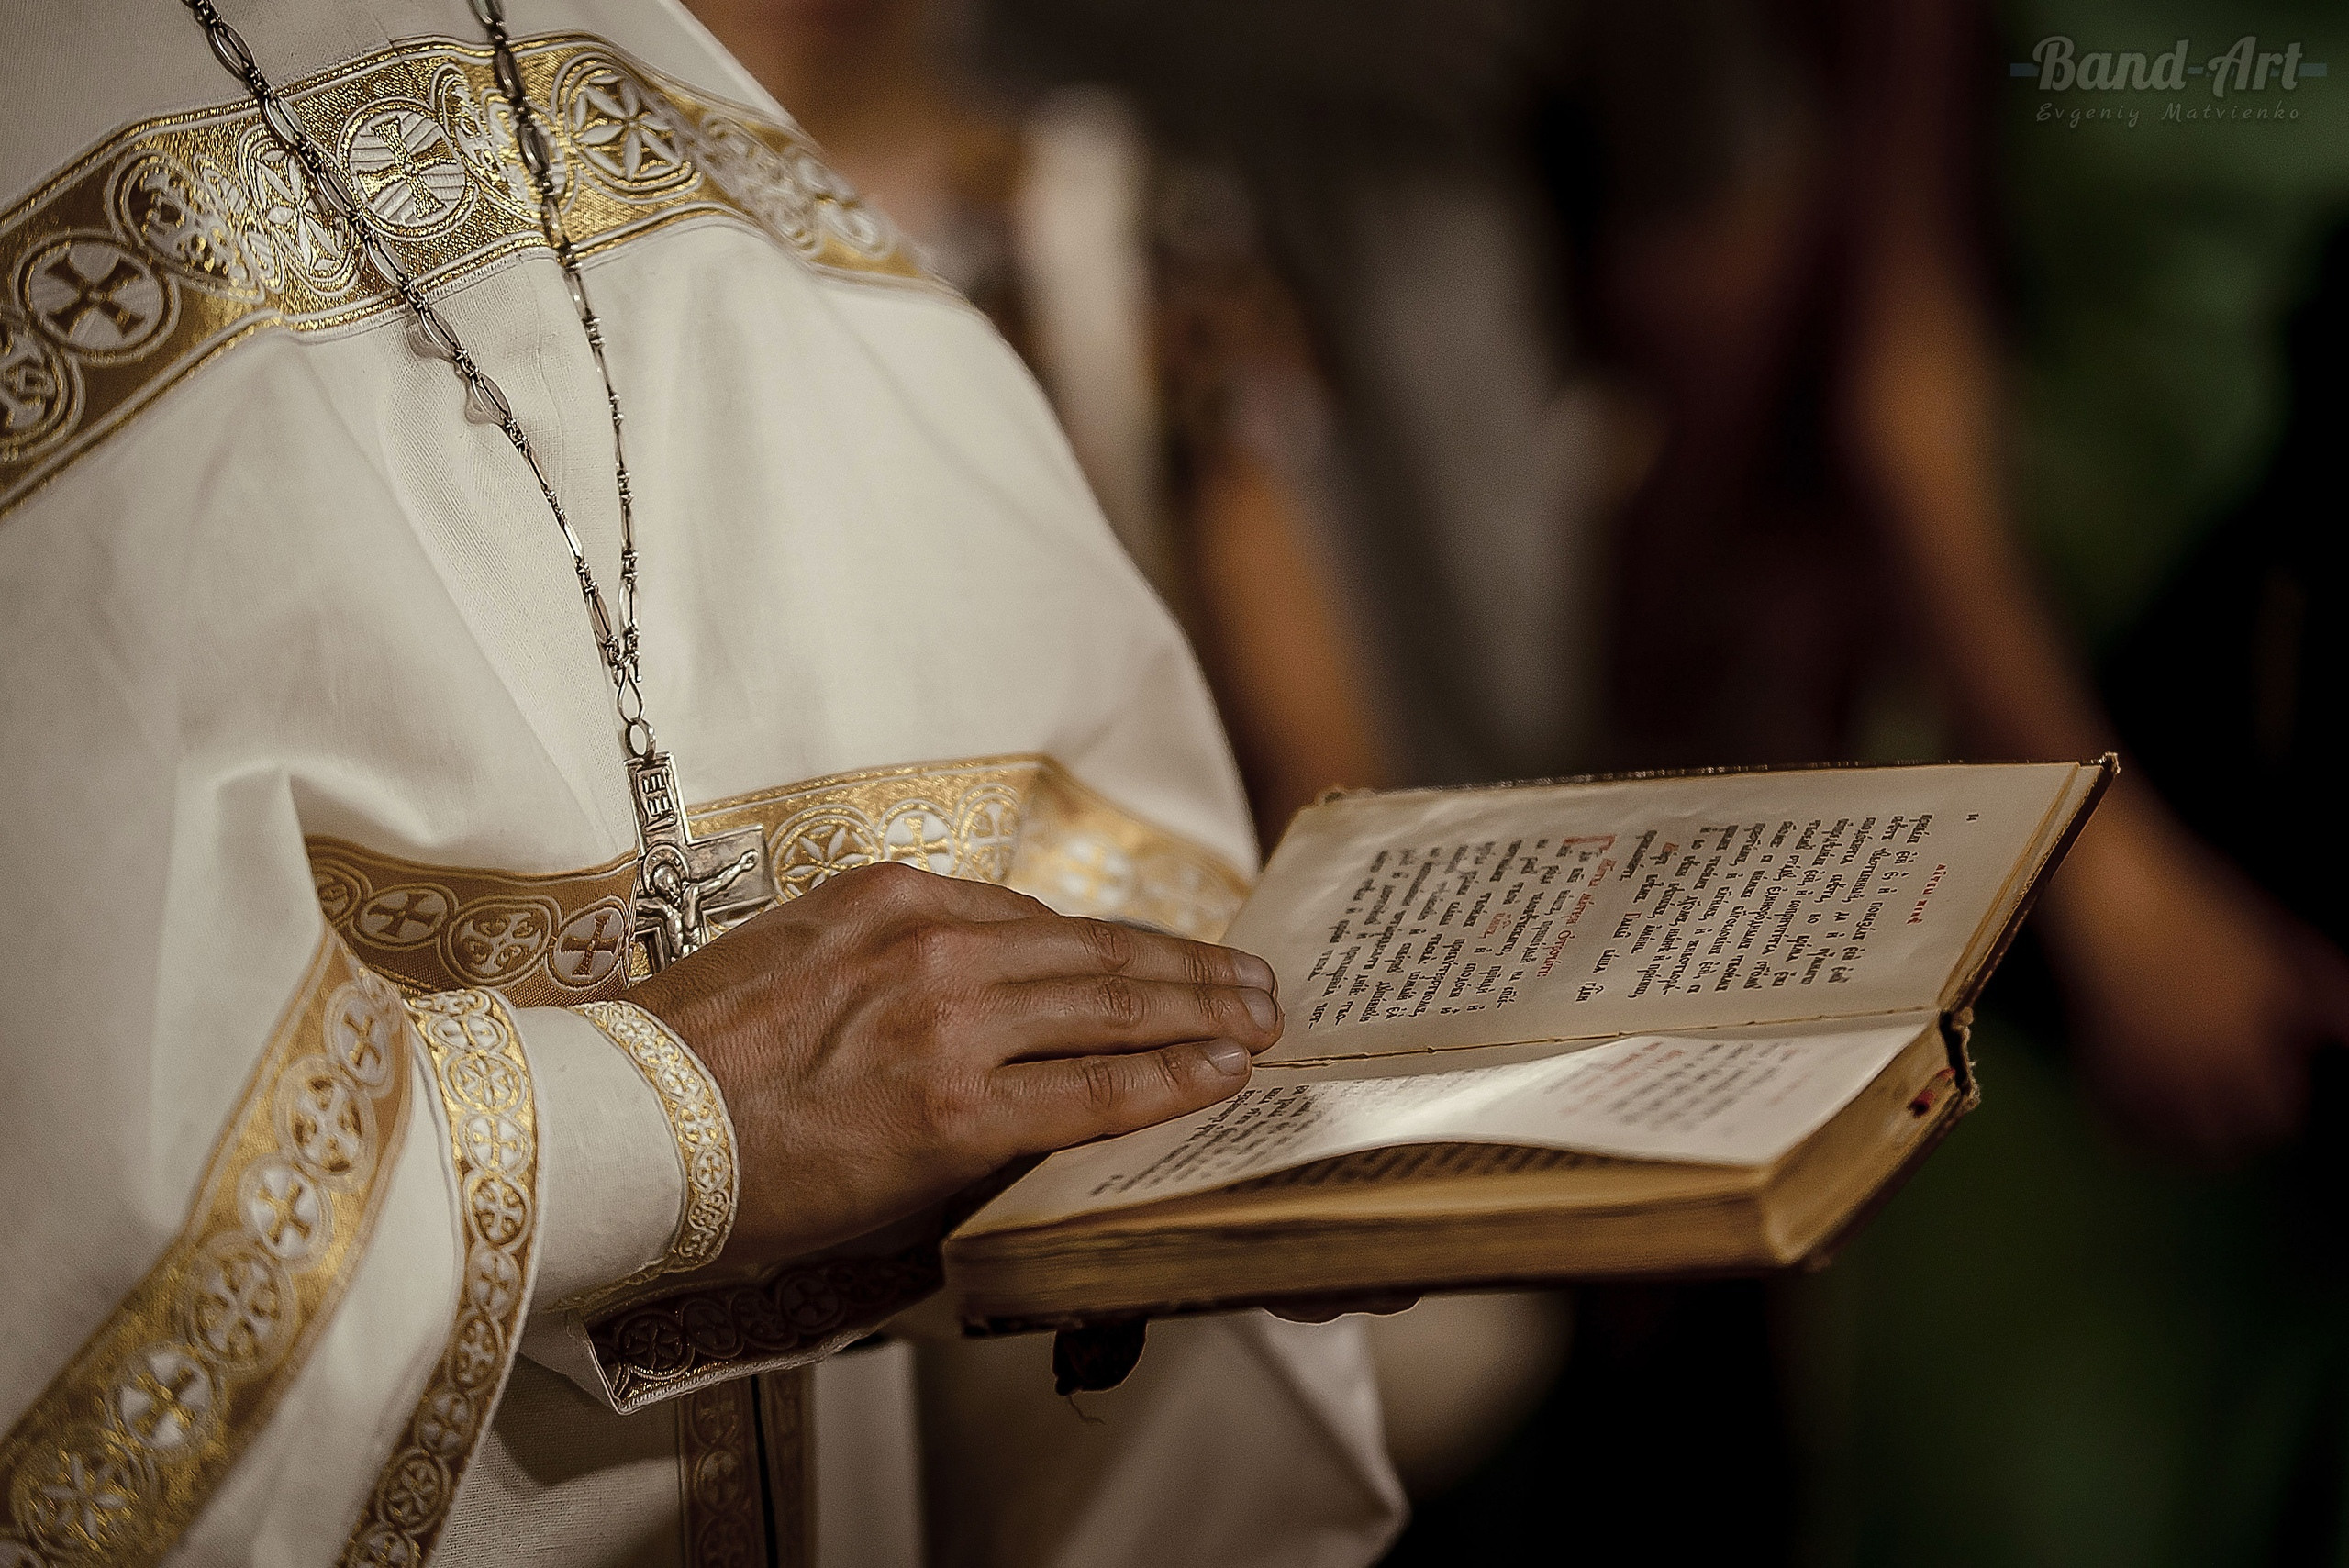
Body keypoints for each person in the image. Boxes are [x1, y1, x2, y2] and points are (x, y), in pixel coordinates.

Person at [0, 2, 1405, 1566]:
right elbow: (61, 1245)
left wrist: (1165, 1148)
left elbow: (1111, 862)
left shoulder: (655, 114)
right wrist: (667, 1121)